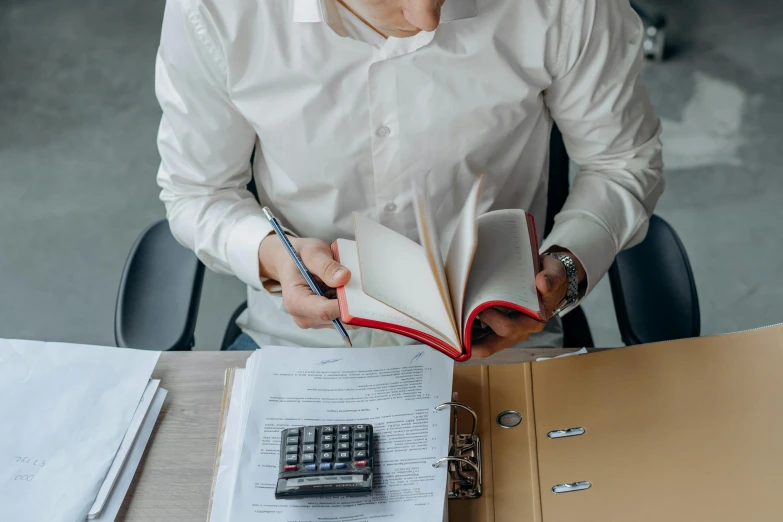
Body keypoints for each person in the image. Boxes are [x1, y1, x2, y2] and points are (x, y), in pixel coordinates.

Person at [155, 0, 663, 359]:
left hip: (502, 342)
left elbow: (621, 163)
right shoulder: (215, 10)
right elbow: (197, 192)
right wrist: (271, 255)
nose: (428, 18)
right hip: (304, 346)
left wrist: (569, 267)